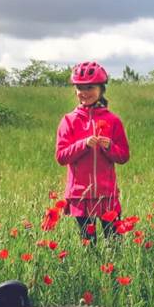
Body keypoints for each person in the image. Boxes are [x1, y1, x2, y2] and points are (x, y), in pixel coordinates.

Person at [55, 61, 130, 239]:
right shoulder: (69, 120)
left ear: (101, 89)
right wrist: (83, 144)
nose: (85, 92)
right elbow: (61, 157)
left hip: (106, 194)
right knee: (89, 245)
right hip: (80, 195)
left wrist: (109, 146)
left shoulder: (113, 121)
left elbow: (123, 156)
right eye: (80, 87)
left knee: (114, 242)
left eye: (90, 87)